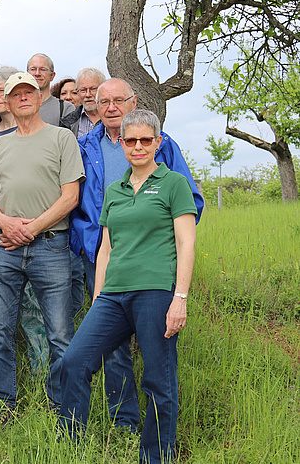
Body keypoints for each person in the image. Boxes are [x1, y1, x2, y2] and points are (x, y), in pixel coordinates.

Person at [60, 109, 196, 464]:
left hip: (156, 291)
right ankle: (69, 447)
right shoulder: (115, 190)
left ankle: (156, 456)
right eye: (130, 140)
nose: (137, 146)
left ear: (158, 143)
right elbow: (105, 248)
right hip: (112, 295)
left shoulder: (173, 184)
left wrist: (179, 298)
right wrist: (97, 297)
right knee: (74, 362)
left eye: (145, 140)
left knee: (158, 378)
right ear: (121, 143)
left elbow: (186, 244)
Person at [0, 72, 84, 422]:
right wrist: (8, 225)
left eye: (29, 92)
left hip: (51, 247)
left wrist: (30, 229)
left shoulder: (62, 138)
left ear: (40, 98)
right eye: (16, 94)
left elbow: (70, 197)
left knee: (59, 335)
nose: (23, 98)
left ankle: (62, 408)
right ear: (6, 102)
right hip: (4, 249)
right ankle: (3, 405)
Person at [0, 66, 47, 382]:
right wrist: (2, 223)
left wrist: (28, 227)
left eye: (2, 91)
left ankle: (42, 377)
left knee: (34, 311)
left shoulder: (45, 131)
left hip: (36, 232)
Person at [27, 53, 75, 127]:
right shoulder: (17, 108)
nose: (37, 73)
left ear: (52, 76)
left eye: (42, 69)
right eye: (33, 69)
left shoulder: (65, 108)